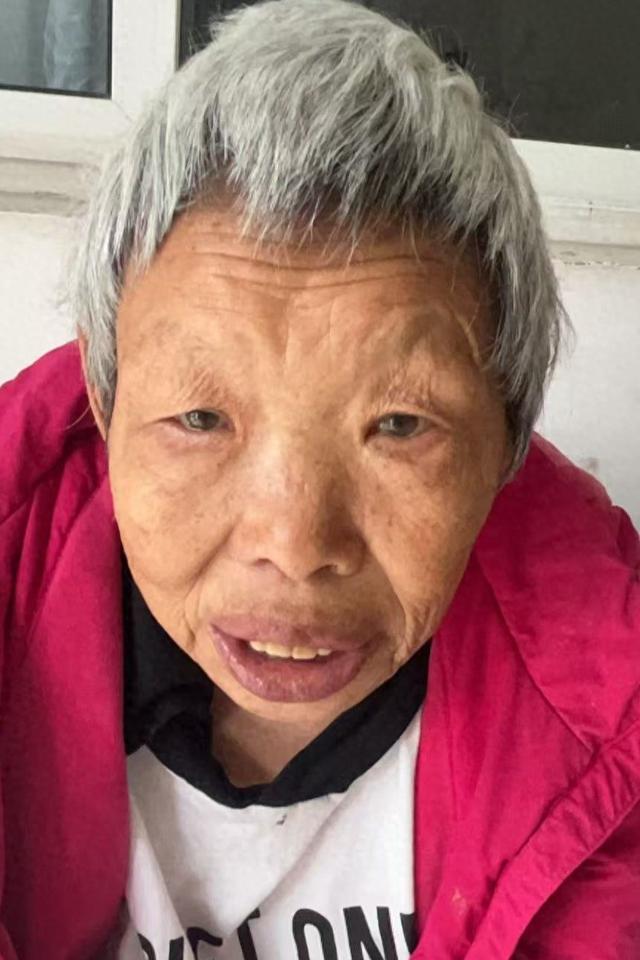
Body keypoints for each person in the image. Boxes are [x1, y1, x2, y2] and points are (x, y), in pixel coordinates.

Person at [1, 1, 639, 958]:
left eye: (399, 426)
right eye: (201, 419)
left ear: (505, 440)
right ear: (105, 402)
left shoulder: (610, 713)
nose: (295, 545)